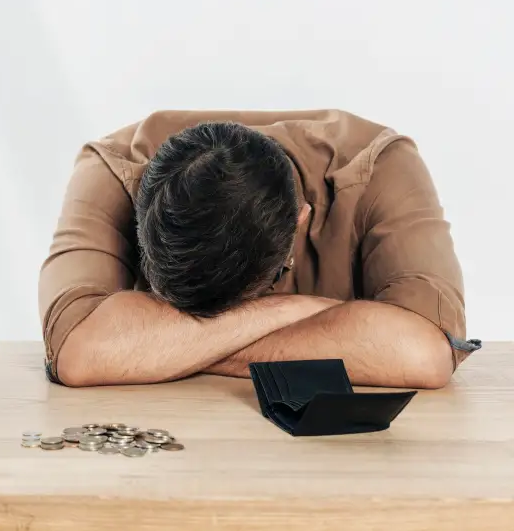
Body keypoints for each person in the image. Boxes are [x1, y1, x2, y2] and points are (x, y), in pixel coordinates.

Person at [38, 110, 479, 389]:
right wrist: (292, 311)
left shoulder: (382, 167)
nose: (222, 321)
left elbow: (424, 352)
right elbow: (79, 352)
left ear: (298, 221)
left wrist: (163, 349)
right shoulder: (111, 171)